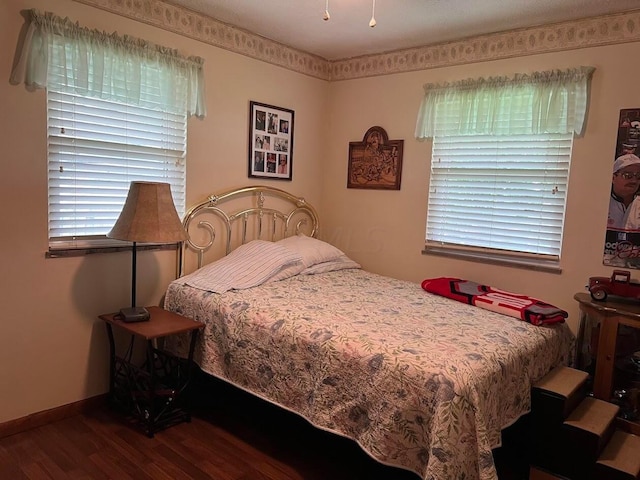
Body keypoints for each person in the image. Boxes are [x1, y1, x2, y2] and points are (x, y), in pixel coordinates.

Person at [609, 153, 640, 229]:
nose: (634, 180)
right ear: (613, 178)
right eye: (627, 175)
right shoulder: (601, 204)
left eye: (638, 176)